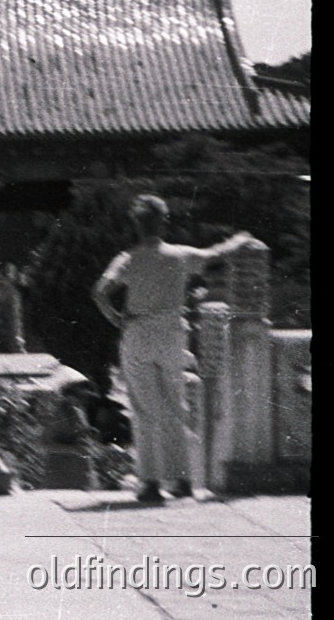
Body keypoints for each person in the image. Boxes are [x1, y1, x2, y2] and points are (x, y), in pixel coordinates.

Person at [92, 194, 251, 504]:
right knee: (176, 406)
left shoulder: (127, 258)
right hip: (171, 334)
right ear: (163, 222)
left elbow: (100, 292)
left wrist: (116, 318)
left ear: (136, 224)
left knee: (143, 410)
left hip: (138, 333)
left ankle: (150, 483)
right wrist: (240, 240)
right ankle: (182, 481)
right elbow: (216, 253)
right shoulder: (180, 255)